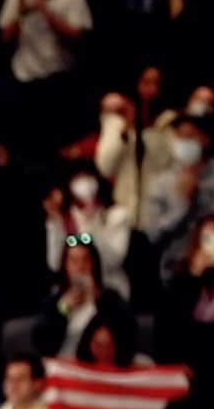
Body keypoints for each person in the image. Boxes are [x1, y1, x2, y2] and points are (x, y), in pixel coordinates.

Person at [0, 0, 92, 152]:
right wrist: (21, 9)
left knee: (55, 147)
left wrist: (43, 7)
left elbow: (77, 36)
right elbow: (5, 37)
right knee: (23, 146)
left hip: (58, 81)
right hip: (24, 79)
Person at [33, 236, 134, 358]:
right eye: (74, 261)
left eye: (86, 260)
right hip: (64, 366)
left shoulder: (110, 299)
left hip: (99, 368)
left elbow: (126, 338)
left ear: (94, 264)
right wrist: (64, 309)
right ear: (65, 266)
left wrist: (98, 299)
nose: (80, 267)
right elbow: (44, 346)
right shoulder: (54, 302)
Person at [94, 73, 174, 227]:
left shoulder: (170, 121)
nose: (151, 89)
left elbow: (164, 161)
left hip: (159, 213)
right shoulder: (117, 119)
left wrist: (146, 129)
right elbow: (105, 167)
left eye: (156, 83)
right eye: (146, 82)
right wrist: (126, 129)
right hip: (125, 212)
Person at [43, 161, 132, 298]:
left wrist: (92, 223)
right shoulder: (65, 217)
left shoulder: (117, 216)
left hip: (109, 290)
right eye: (77, 178)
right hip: (73, 293)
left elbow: (114, 260)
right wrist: (54, 224)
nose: (84, 185)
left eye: (87, 177)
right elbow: (55, 264)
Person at [144, 111, 214, 284]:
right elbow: (153, 234)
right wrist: (182, 204)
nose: (184, 143)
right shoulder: (161, 182)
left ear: (205, 139)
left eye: (190, 136)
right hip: (174, 272)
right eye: (180, 137)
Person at [156, 213, 214, 388]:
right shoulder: (181, 283)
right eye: (208, 238)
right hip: (184, 372)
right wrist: (193, 278)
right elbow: (169, 329)